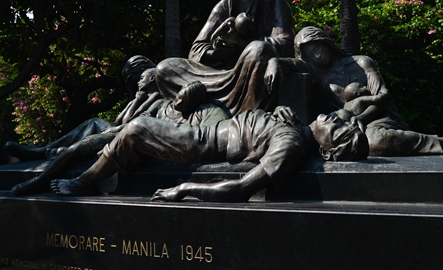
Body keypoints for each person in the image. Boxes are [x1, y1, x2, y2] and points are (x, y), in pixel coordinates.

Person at [49, 107, 369, 201]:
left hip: (200, 143)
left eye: (340, 129)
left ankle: (84, 181)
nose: (335, 119)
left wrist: (185, 189)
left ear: (330, 152)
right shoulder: (295, 124)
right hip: (205, 127)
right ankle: (52, 155)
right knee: (113, 130)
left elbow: (243, 188)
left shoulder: (290, 145)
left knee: (136, 129)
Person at [274, 26, 443, 156]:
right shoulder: (316, 75)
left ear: (327, 44)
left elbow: (382, 98)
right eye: (311, 54)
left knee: (375, 141)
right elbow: (291, 65)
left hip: (379, 120)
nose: (318, 56)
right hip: (344, 126)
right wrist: (274, 61)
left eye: (318, 48)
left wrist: (362, 118)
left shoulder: (361, 62)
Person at [10, 78, 228, 196]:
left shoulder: (201, 114)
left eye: (187, 99)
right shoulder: (163, 106)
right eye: (180, 95)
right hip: (124, 136)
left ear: (196, 102)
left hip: (143, 149)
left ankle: (48, 174)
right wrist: (110, 132)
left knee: (82, 146)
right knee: (77, 148)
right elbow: (130, 123)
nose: (180, 102)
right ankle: (38, 179)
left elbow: (207, 139)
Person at [154, 0, 295, 116]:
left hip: (249, 72)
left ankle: (238, 110)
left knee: (260, 50)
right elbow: (196, 48)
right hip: (219, 76)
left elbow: (287, 44)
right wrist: (217, 53)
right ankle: (211, 100)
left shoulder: (275, 1)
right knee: (165, 68)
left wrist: (241, 43)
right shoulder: (223, 6)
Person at [4, 55, 157, 161]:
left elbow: (132, 123)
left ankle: (45, 152)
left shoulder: (156, 96)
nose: (134, 82)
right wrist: (134, 98)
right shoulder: (140, 96)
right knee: (93, 122)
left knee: (94, 123)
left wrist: (137, 99)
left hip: (128, 137)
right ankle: (46, 150)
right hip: (119, 131)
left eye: (135, 77)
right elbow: (119, 120)